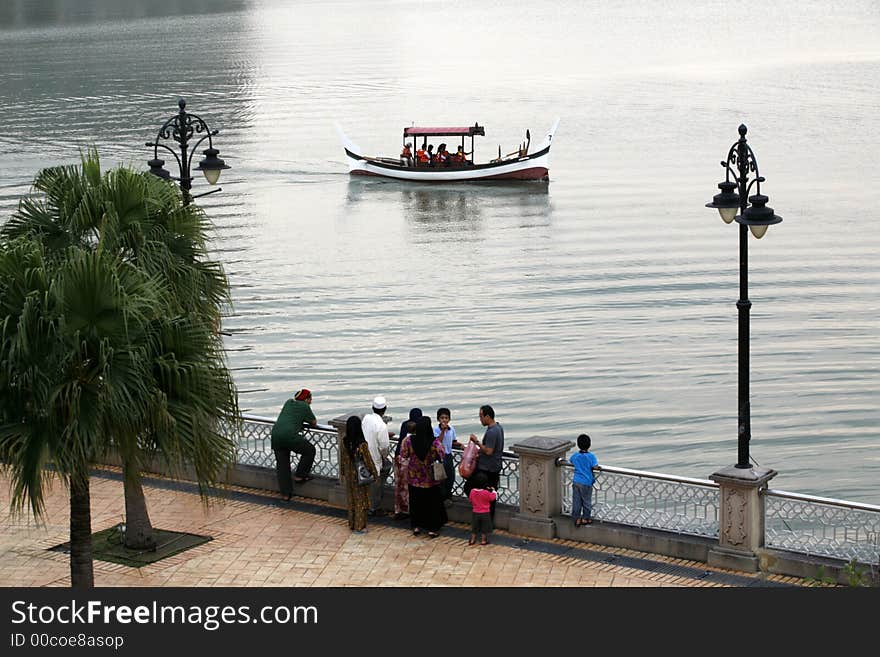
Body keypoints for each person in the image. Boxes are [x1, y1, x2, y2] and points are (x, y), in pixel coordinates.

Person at [400, 416, 447, 538]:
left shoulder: (409, 440)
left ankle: (416, 526)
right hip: (430, 479)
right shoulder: (434, 442)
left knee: (416, 502)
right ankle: (432, 528)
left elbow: (403, 454)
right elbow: (442, 454)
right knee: (432, 504)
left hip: (413, 477)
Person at [270, 388, 318, 501]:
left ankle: (286, 494)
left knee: (282, 465)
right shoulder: (304, 406)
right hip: (290, 436)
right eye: (310, 399)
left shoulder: (288, 402)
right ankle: (300, 475)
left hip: (276, 435)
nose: (311, 402)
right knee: (310, 450)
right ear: (307, 399)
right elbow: (314, 422)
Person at [465, 404, 504, 521]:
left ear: (488, 416)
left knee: (469, 487)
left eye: (481, 416)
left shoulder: (492, 432)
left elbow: (489, 451)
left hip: (488, 468)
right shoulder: (498, 427)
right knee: (490, 494)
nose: (480, 419)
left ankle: (482, 516)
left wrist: (476, 442)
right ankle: (487, 522)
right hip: (494, 466)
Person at [340, 416, 378, 533]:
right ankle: (360, 526)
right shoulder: (361, 444)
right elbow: (368, 460)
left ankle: (352, 523)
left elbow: (342, 458)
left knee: (351, 499)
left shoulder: (345, 441)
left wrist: (343, 472)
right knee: (360, 500)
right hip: (359, 476)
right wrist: (374, 473)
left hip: (349, 474)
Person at [361, 395, 393, 516]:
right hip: (375, 458)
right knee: (377, 481)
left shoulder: (366, 419)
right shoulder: (382, 426)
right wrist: (384, 457)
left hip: (364, 455)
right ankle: (373, 507)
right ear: (385, 409)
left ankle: (366, 504)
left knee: (366, 480)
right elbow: (384, 447)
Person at [394, 408, 423, 519]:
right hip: (413, 464)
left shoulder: (405, 425)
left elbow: (400, 443)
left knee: (399, 486)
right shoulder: (420, 428)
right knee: (413, 488)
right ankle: (412, 511)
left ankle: (399, 510)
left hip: (400, 460)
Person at [570, 433, 600, 526]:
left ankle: (577, 518)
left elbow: (571, 461)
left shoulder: (575, 455)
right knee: (586, 501)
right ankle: (586, 518)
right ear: (589, 444)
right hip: (586, 482)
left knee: (576, 501)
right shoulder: (591, 456)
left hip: (576, 481)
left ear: (578, 445)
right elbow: (595, 466)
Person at [433, 407, 460, 503]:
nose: (444, 420)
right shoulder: (436, 430)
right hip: (440, 456)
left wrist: (461, 445)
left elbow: (453, 441)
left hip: (448, 455)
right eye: (442, 418)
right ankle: (442, 497)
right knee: (441, 478)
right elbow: (438, 442)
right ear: (438, 419)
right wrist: (443, 431)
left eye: (446, 418)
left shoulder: (452, 429)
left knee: (450, 476)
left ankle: (449, 495)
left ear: (449, 419)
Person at [467, 471, 497, 546]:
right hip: (485, 513)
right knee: (484, 528)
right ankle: (483, 541)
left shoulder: (472, 491)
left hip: (475, 512)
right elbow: (492, 498)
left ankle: (472, 540)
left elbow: (470, 499)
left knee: (474, 527)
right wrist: (493, 491)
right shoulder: (486, 492)